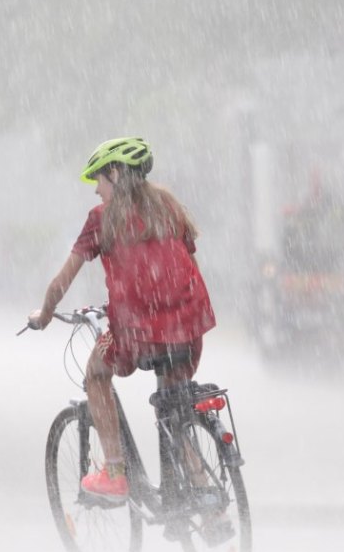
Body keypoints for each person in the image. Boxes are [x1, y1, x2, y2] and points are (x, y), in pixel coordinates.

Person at [30, 137, 216, 501]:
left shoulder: (103, 218)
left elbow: (62, 280)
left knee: (96, 374)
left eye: (98, 180)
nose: (97, 191)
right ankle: (207, 499)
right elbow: (184, 261)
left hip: (137, 331)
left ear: (114, 173)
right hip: (187, 325)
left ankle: (114, 472)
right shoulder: (168, 205)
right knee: (174, 408)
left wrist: (45, 313)